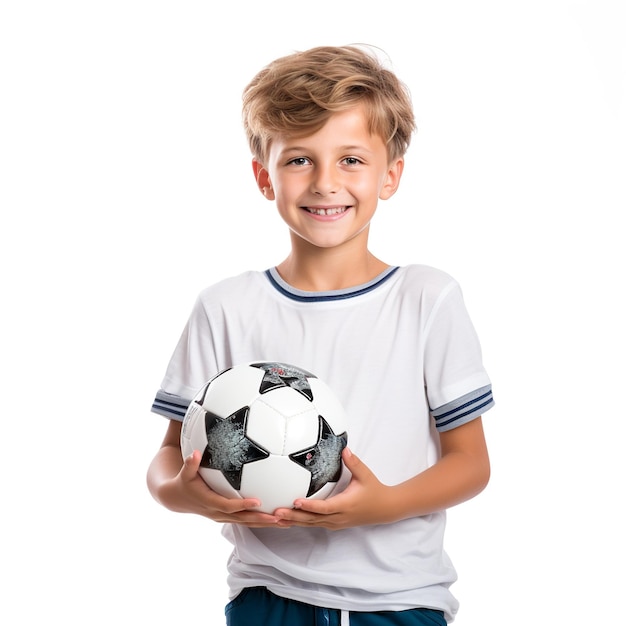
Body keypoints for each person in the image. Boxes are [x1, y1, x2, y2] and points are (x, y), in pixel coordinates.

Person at [147, 44, 494, 626]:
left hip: (399, 601)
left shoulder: (427, 300)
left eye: (352, 160)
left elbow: (471, 463)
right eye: (299, 160)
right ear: (265, 176)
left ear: (391, 176)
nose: (325, 183)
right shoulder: (225, 308)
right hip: (266, 597)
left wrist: (381, 506)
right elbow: (165, 459)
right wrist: (183, 495)